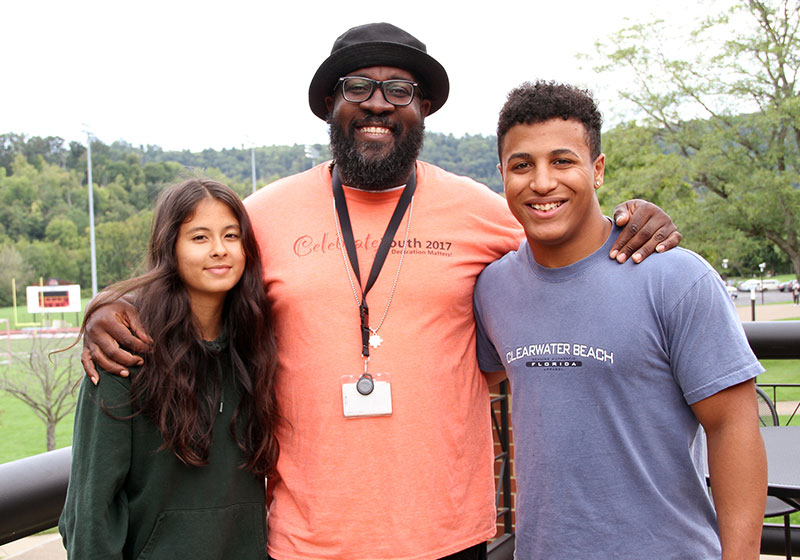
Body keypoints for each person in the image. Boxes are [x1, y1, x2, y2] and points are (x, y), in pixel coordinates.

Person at [81, 24, 682, 560]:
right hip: (305, 541)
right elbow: (192, 273)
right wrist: (111, 308)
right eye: (358, 87)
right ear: (329, 105)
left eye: (399, 90)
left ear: (423, 108)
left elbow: (569, 233)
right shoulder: (263, 216)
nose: (378, 103)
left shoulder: (482, 211)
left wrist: (635, 218)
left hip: (446, 537)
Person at [474, 81, 767, 559]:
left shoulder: (676, 278)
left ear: (598, 170)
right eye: (522, 165)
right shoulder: (493, 288)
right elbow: (471, 383)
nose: (542, 182)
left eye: (563, 161)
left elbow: (732, 427)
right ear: (502, 174)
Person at [59, 178, 279, 559]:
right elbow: (90, 510)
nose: (219, 250)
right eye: (199, 237)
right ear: (169, 248)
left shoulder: (255, 349)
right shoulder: (123, 356)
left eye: (231, 236)